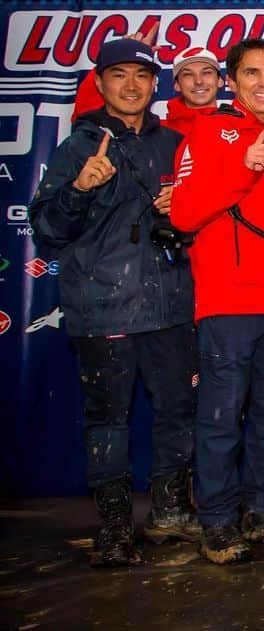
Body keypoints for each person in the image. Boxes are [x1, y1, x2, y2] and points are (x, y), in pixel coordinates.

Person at [30, 38, 199, 567]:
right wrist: (79, 187)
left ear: (155, 84)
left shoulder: (173, 143)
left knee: (177, 411)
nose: (131, 85)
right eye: (119, 75)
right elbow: (47, 229)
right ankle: (113, 526)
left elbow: (195, 229)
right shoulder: (78, 147)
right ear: (100, 83)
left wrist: (182, 211)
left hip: (170, 306)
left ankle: (170, 512)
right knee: (108, 420)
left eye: (141, 76)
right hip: (102, 308)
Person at [171, 38, 264, 564]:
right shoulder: (208, 132)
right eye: (252, 73)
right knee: (222, 417)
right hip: (227, 305)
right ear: (231, 81)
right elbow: (182, 214)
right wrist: (243, 169)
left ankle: (263, 510)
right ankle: (219, 522)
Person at [74, 30, 224, 135]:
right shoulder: (159, 131)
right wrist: (114, 61)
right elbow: (89, 117)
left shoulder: (240, 127)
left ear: (221, 81)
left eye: (206, 73)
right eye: (187, 75)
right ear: (176, 85)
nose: (198, 81)